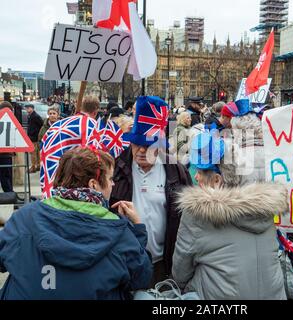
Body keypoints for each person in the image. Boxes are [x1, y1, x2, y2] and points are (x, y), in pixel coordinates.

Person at [0, 147, 153, 299]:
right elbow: (141, 278)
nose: (113, 184)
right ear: (93, 184)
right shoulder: (120, 232)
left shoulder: (23, 218)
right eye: (110, 179)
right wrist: (137, 228)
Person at [172, 132, 288, 300]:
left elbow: (180, 273)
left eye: (200, 172)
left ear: (217, 180)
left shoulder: (197, 213)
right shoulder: (265, 209)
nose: (195, 177)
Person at [110, 96, 192, 286]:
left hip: (164, 265)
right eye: (136, 143)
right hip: (125, 263)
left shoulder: (176, 171)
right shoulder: (115, 170)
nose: (140, 150)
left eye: (147, 146)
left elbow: (189, 219)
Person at [0, 102, 15, 192]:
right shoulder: (10, 120)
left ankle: (10, 194)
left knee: (6, 177)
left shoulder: (11, 121)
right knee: (6, 177)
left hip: (7, 153)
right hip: (6, 154)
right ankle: (10, 194)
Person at [25, 104, 44, 173]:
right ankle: (38, 165)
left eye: (28, 108)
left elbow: (41, 125)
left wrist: (36, 133)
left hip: (34, 137)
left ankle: (33, 167)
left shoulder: (35, 116)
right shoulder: (31, 115)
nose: (27, 109)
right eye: (26, 108)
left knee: (33, 152)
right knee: (36, 152)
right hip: (33, 136)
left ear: (32, 108)